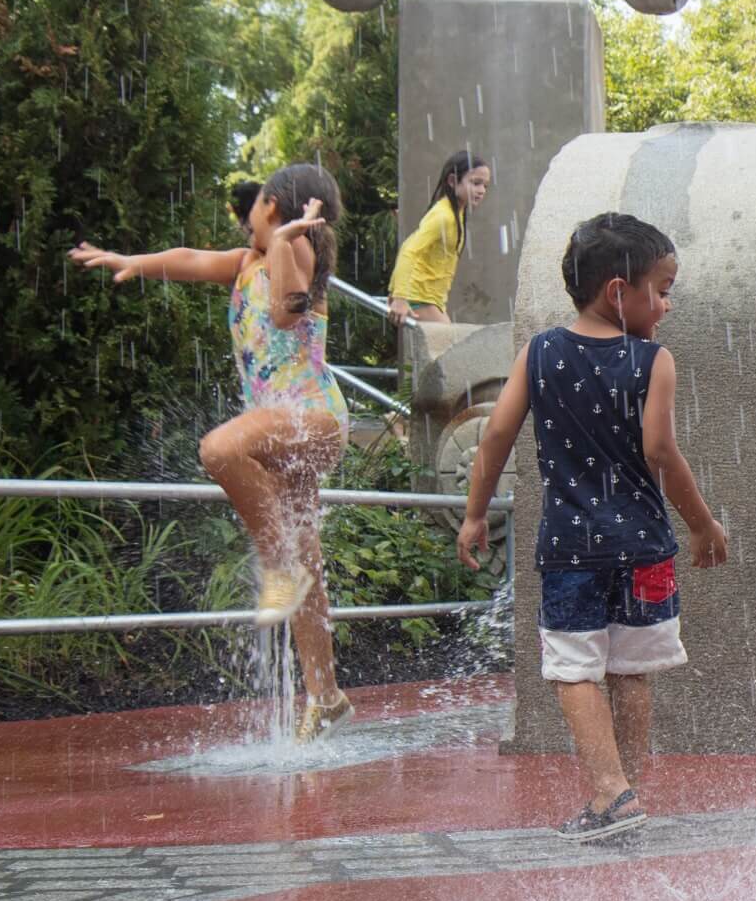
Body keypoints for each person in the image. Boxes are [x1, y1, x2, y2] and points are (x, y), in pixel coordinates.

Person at [456, 211, 728, 844]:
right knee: (630, 670)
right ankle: (623, 793)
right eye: (660, 291)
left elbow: (496, 435)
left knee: (576, 669)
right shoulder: (653, 362)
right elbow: (662, 452)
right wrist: (702, 524)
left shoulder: (541, 353)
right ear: (617, 291)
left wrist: (475, 513)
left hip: (571, 546)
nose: (664, 306)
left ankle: (613, 795)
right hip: (645, 546)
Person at [70, 164, 356, 741]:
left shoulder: (293, 252)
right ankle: (325, 696)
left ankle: (275, 561)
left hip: (310, 417)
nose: (249, 217)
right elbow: (191, 257)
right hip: (278, 427)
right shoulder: (247, 261)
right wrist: (133, 262)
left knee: (219, 447)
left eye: (256, 208)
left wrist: (281, 241)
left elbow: (285, 310)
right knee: (308, 564)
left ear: (273, 207)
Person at [387, 150, 491, 325]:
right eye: (475, 183)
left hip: (427, 299)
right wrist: (399, 297)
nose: (481, 191)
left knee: (451, 346)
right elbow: (409, 250)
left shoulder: (455, 213)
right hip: (418, 297)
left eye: (485, 186)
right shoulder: (443, 216)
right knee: (451, 346)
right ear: (452, 181)